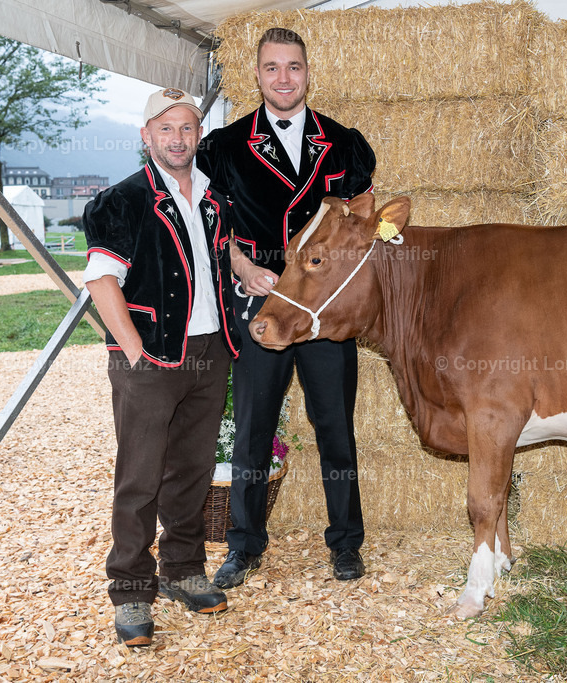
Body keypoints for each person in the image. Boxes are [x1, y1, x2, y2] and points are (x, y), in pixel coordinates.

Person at [198, 28, 376, 588]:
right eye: (272, 67)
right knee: (253, 428)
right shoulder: (224, 147)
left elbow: (357, 225)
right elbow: (212, 228)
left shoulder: (343, 144)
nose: (283, 78)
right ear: (256, 74)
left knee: (335, 430)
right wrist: (244, 269)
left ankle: (346, 543)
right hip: (262, 306)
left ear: (307, 72)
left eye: (293, 67)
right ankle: (244, 546)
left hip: (322, 313)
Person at [83, 87, 241, 647]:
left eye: (188, 128)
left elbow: (221, 254)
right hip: (149, 358)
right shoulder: (120, 201)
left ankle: (182, 568)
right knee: (140, 478)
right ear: (146, 137)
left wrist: (255, 272)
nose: (178, 139)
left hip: (208, 351)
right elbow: (103, 281)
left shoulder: (214, 199)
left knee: (192, 470)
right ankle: (129, 590)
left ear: (199, 135)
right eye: (166, 128)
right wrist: (131, 348)